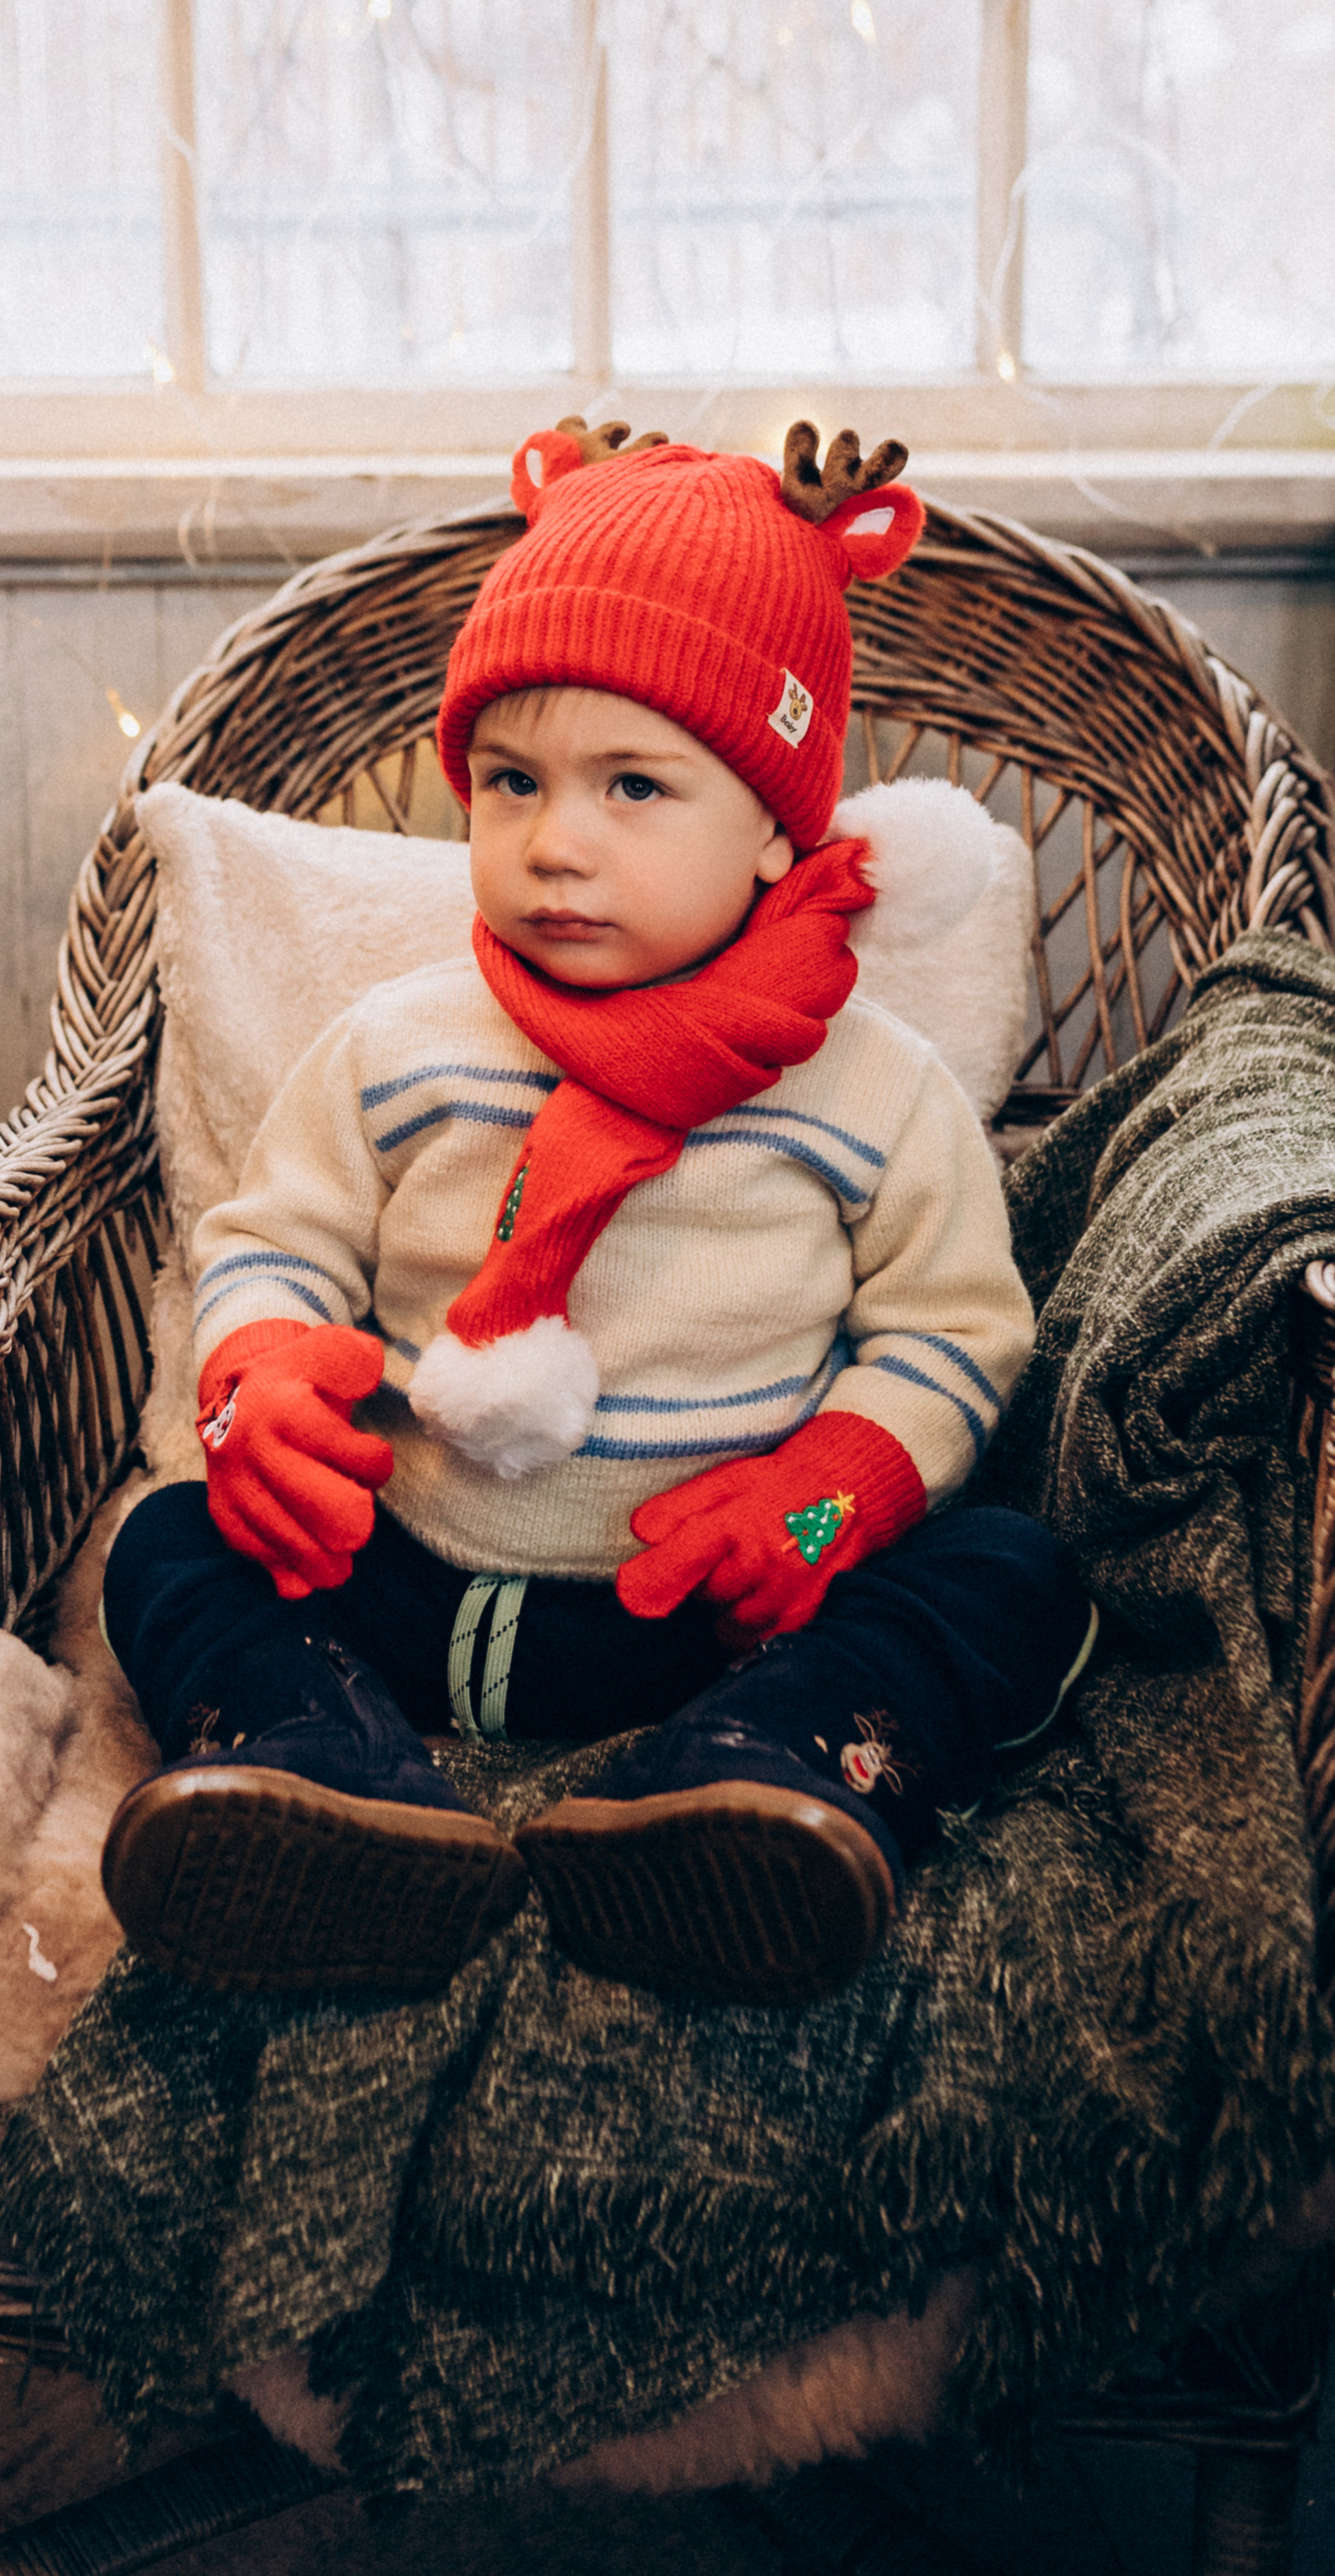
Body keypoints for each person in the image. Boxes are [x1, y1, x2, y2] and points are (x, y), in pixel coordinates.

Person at [98, 417, 1096, 2008]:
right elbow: (273, 1236)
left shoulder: (866, 1087)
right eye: (511, 781)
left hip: (710, 1619)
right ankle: (310, 1762)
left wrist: (824, 1501)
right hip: (404, 1582)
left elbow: (954, 1333)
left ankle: (768, 1780)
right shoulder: (398, 1043)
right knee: (162, 1541)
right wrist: (256, 1384)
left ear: (774, 825)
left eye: (633, 785)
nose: (554, 842)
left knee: (1010, 1573)